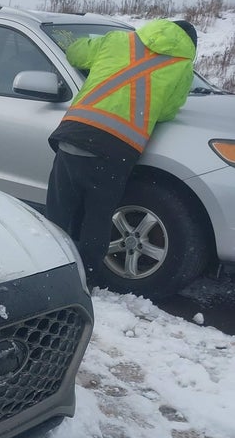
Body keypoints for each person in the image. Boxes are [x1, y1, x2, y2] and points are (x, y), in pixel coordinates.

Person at [46, 19, 197, 284]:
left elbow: (76, 53)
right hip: (118, 149)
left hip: (77, 135)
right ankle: (86, 279)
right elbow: (167, 111)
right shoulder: (182, 66)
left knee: (59, 212)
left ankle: (49, 270)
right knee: (98, 217)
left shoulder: (118, 40)